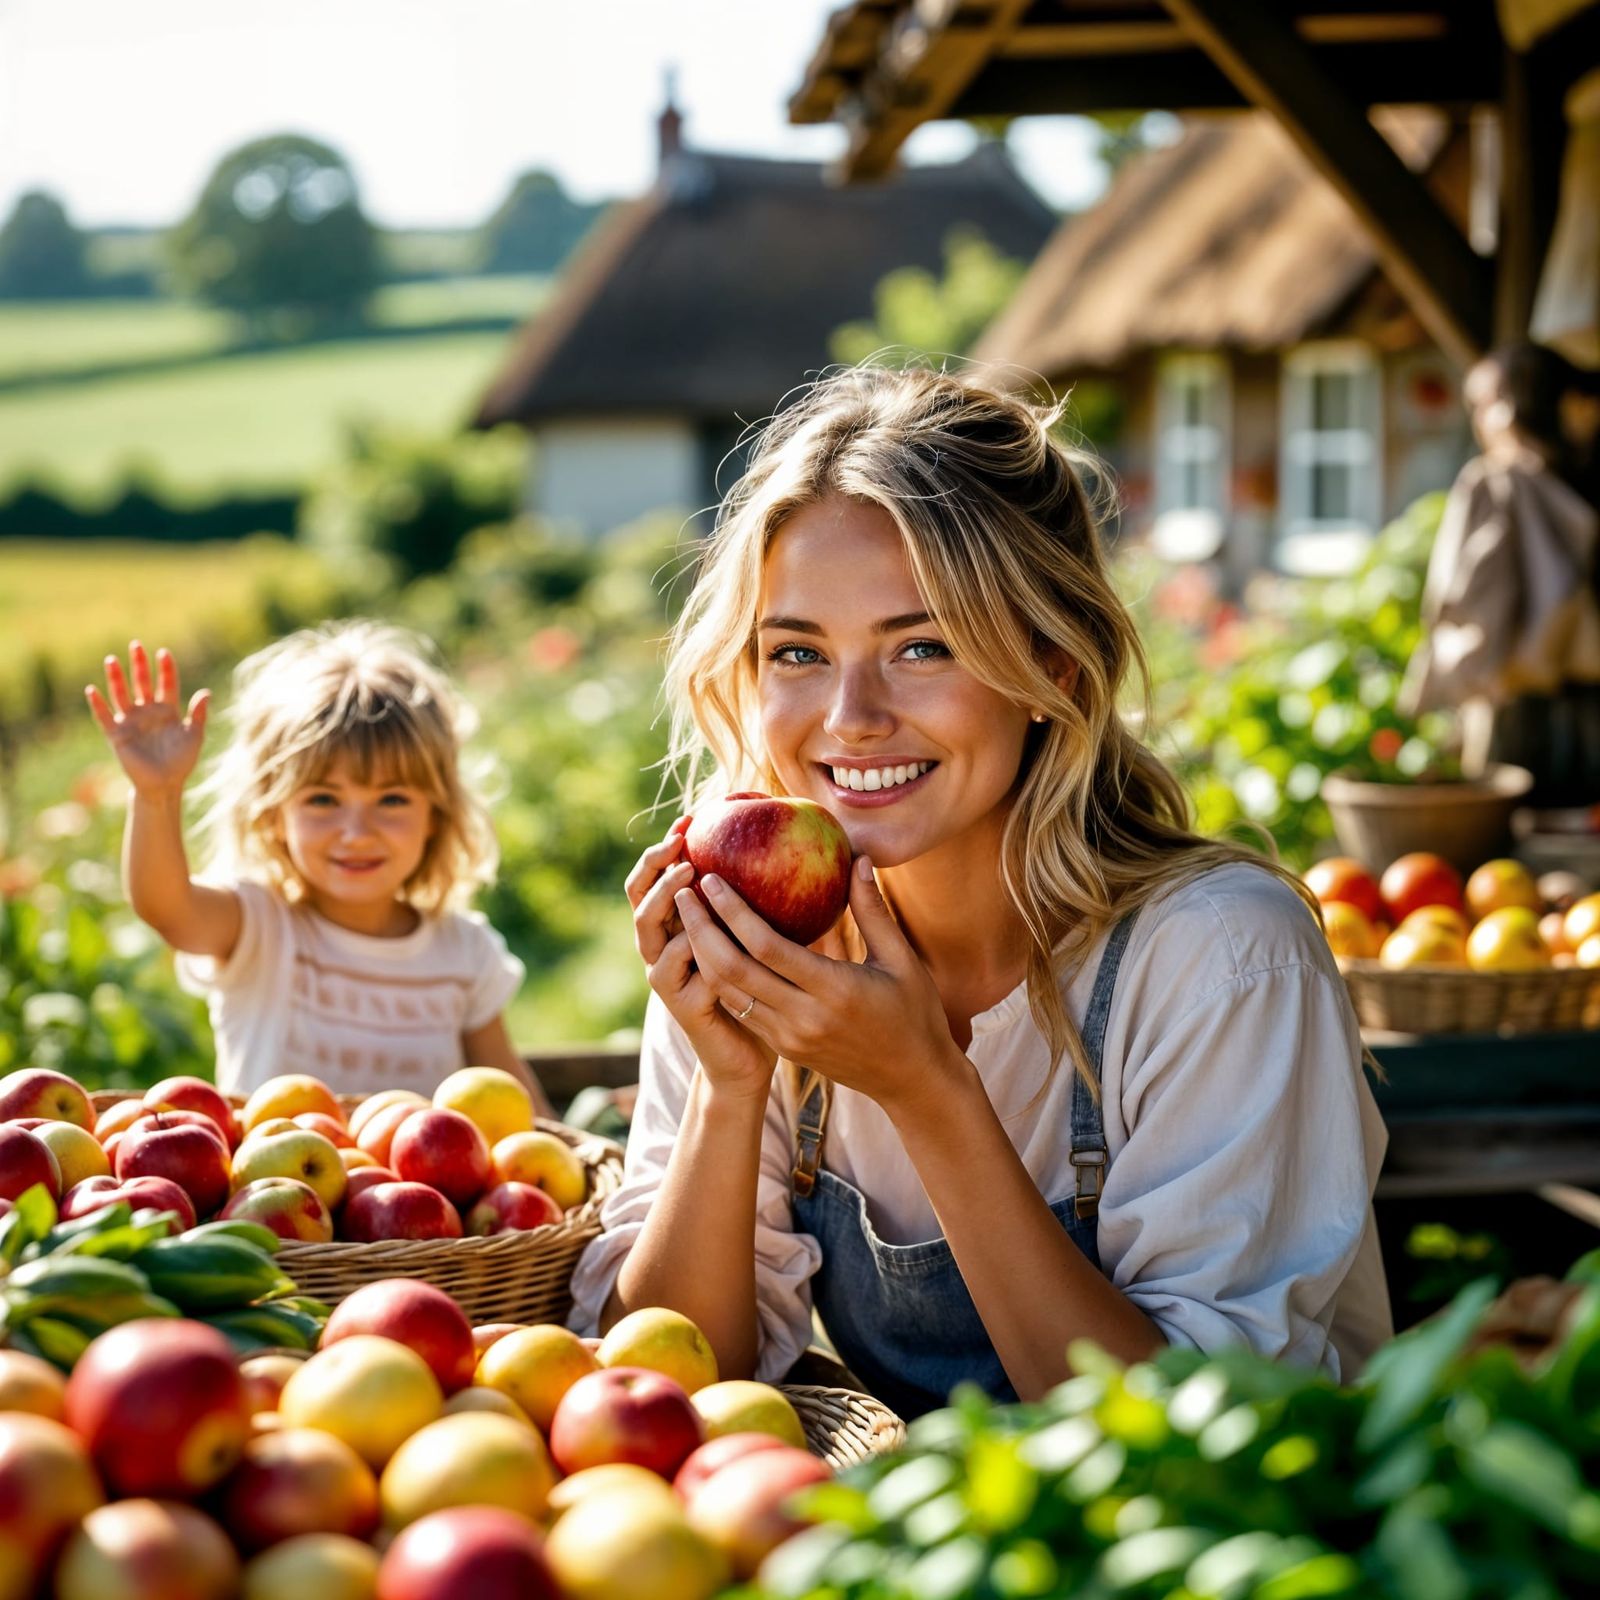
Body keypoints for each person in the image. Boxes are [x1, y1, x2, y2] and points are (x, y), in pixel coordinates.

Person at [568, 364, 1392, 1419]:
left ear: (1051, 664)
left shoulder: (1220, 958)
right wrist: (731, 1086)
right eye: (797, 652)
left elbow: (1199, 1430)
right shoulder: (754, 941)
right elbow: (675, 1380)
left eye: (922, 646)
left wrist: (925, 1088)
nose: (851, 716)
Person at [86, 621, 552, 1112]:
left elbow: (521, 1107)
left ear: (435, 815)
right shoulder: (259, 927)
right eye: (324, 800)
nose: (356, 832)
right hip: (272, 1185)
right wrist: (157, 795)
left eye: (391, 799)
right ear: (273, 814)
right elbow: (167, 908)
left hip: (426, 1188)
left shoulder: (464, 953)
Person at [1403, 342, 1600, 808]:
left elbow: (1465, 601)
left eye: (1482, 404)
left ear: (1510, 409)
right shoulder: (1583, 482)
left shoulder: (1494, 484)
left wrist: (1445, 687)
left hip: (1517, 703)